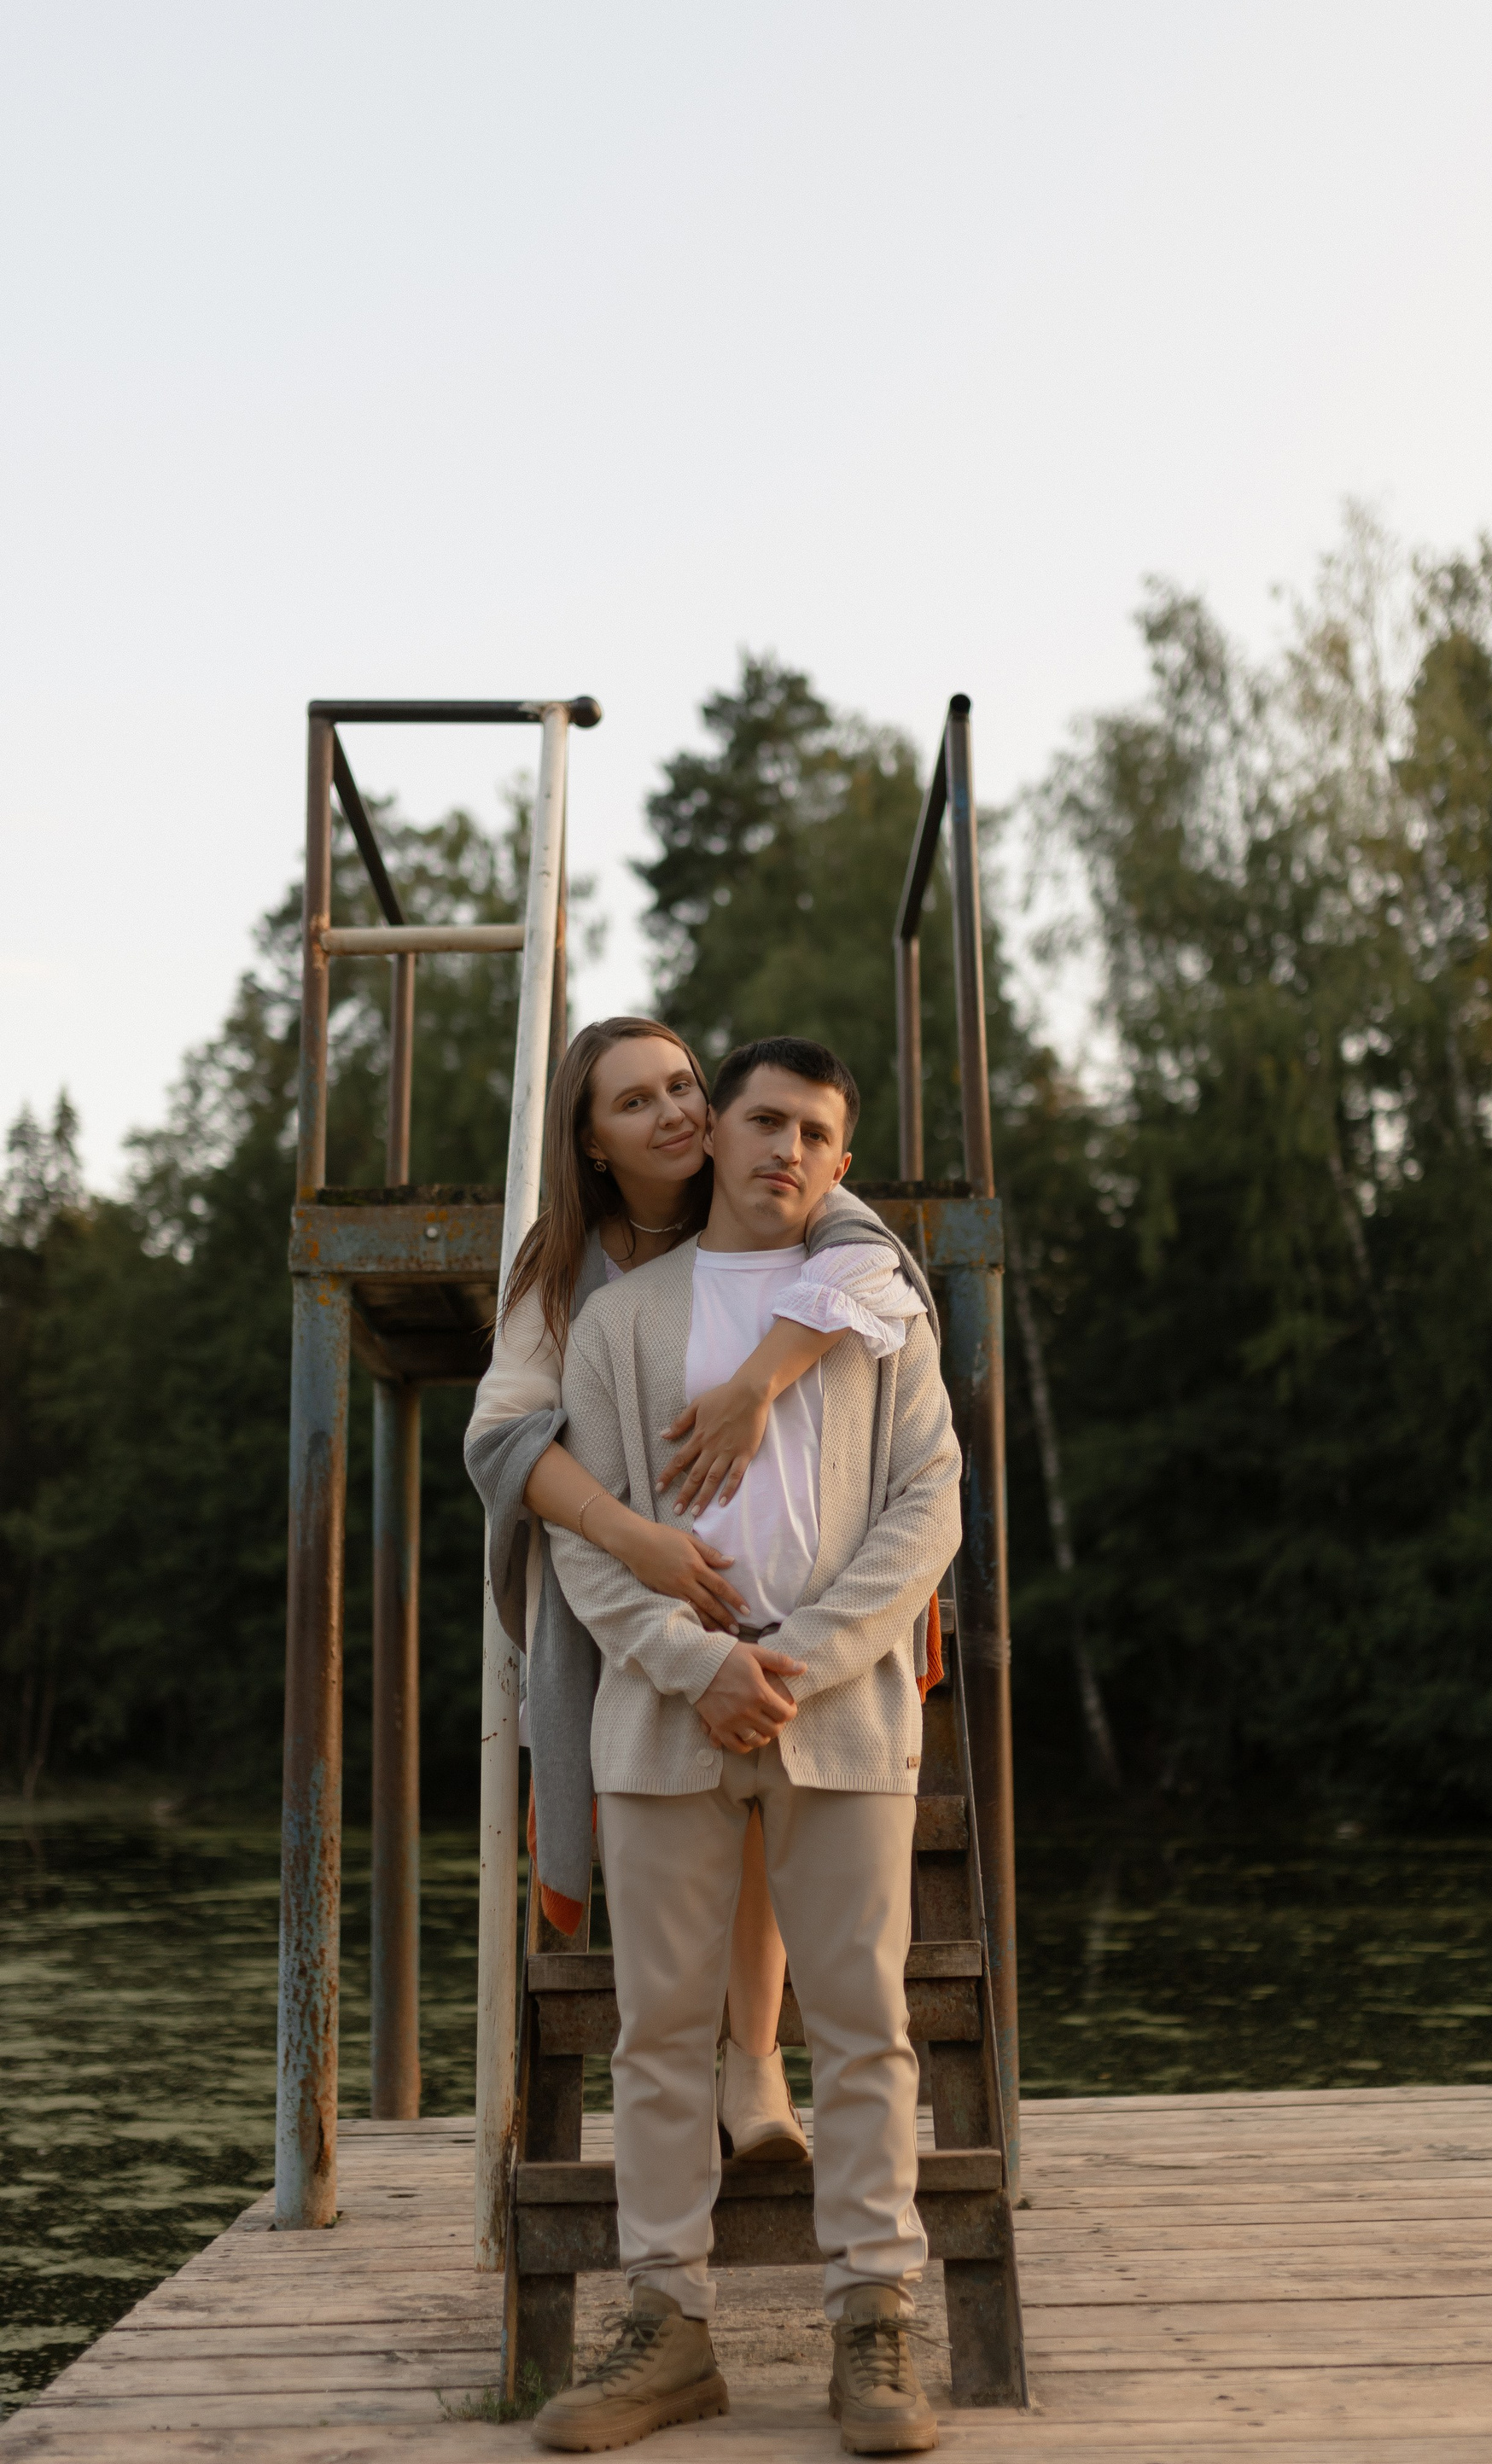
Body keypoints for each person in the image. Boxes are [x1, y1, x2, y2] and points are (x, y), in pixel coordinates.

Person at [530, 1035, 960, 2458]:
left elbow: (931, 1506)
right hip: (665, 1716)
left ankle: (875, 2318)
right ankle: (668, 2327)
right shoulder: (618, 1322)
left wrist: (801, 1661)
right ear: (713, 1132)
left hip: (842, 1715)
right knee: (659, 2034)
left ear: (843, 1165)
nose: (789, 1149)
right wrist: (696, 1662)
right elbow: (584, 1545)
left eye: (818, 1134)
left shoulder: (873, 1307)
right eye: (766, 1119)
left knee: (865, 2026)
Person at [464, 1016, 930, 2162]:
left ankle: (756, 2055)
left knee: (772, 1762)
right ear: (591, 1141)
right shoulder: (568, 1275)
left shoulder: (795, 1195)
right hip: (631, 1580)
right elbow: (500, 1440)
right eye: (635, 1102)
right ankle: (681, 2121)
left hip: (791, 1608)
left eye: (681, 1085)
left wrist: (760, 1380)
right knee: (675, 1790)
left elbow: (876, 1270)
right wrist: (635, 1542)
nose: (672, 1112)